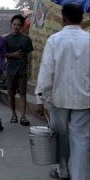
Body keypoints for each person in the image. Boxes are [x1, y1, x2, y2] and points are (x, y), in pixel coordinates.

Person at [35, 3, 90, 180]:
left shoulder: (55, 40)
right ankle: (79, 176)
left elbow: (46, 71)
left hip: (59, 98)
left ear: (63, 18)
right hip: (84, 99)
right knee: (81, 139)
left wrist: (40, 99)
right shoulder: (89, 40)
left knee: (60, 136)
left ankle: (63, 171)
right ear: (82, 18)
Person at [5, 14, 33, 126]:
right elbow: (3, 54)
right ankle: (13, 114)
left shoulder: (26, 39)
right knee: (10, 93)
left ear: (22, 26)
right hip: (10, 70)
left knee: (22, 93)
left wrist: (29, 67)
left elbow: (30, 54)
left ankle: (23, 116)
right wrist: (13, 55)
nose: (16, 27)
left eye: (18, 25)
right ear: (11, 25)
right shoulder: (6, 39)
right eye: (14, 24)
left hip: (22, 69)